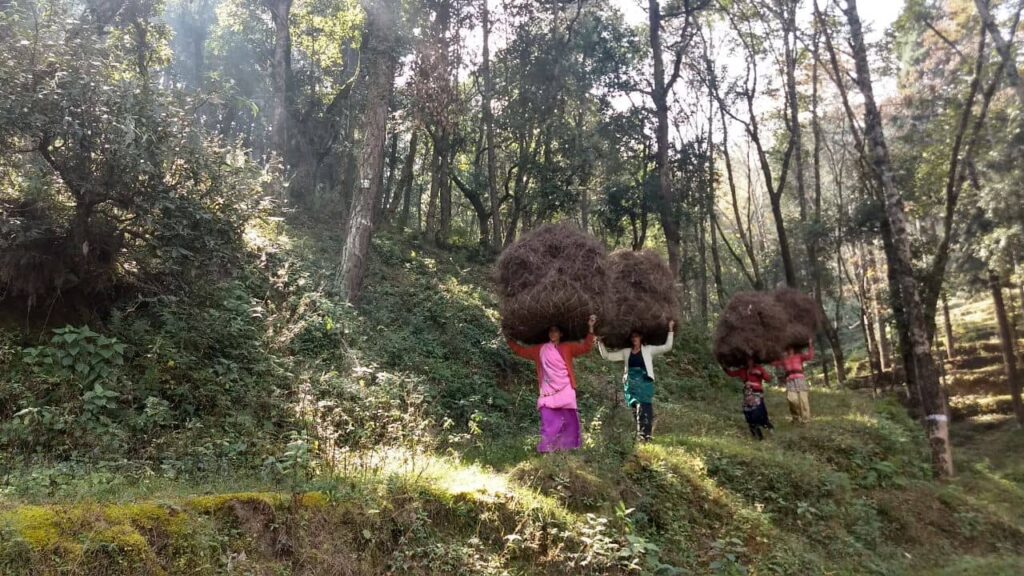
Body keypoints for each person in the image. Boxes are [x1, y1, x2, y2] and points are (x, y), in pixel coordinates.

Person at [507, 315, 597, 453]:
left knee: (569, 423)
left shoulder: (567, 347)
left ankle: (567, 452)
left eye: (555, 331)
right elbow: (520, 351)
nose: (552, 333)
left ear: (561, 333)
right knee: (548, 421)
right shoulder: (540, 349)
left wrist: (591, 327)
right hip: (547, 392)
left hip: (566, 389)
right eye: (550, 331)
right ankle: (547, 452)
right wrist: (508, 338)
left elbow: (585, 347)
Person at [597, 321, 675, 442]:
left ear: (641, 338)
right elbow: (607, 356)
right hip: (631, 383)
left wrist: (670, 329)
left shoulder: (648, 350)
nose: (634, 339)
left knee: (644, 406)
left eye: (636, 336)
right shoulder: (626, 352)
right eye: (632, 337)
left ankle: (644, 435)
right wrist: (600, 343)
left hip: (644, 381)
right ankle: (642, 433)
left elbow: (667, 347)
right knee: (635, 408)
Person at [724, 357, 774, 440]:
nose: (749, 362)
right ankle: (757, 435)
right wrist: (724, 366)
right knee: (749, 414)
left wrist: (760, 373)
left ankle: (767, 426)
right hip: (747, 395)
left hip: (757, 394)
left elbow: (768, 379)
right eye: (747, 360)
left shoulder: (759, 368)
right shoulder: (742, 370)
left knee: (758, 414)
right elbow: (731, 374)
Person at [773, 339, 814, 424]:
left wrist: (810, 345)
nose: (789, 350)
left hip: (800, 379)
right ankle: (795, 418)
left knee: (803, 400)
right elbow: (774, 363)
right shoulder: (784, 359)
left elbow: (810, 356)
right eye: (788, 349)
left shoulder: (799, 356)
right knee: (792, 400)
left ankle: (806, 421)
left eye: (791, 348)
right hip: (790, 381)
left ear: (794, 349)